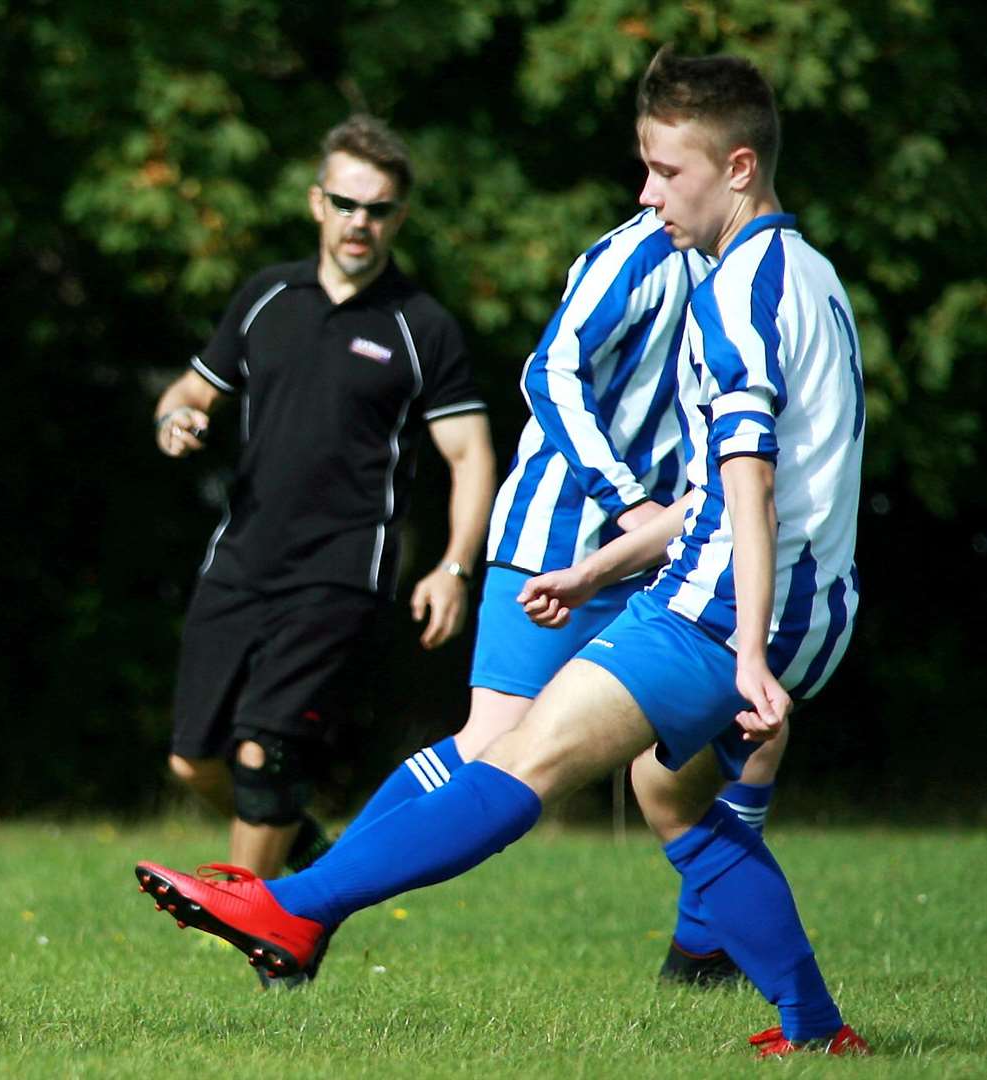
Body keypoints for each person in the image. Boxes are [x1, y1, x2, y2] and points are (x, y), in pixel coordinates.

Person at [136, 48, 869, 1057]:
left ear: (736, 167)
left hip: (721, 604)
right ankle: (816, 1030)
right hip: (798, 598)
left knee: (516, 754)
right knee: (674, 799)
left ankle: (293, 906)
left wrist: (740, 644)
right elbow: (719, 486)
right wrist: (602, 565)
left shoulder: (736, 288)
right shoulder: (813, 276)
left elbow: (742, 473)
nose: (645, 193)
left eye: (665, 171)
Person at [341, 203, 790, 987]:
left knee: (754, 725)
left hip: (680, 548)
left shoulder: (761, 272)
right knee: (492, 744)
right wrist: (627, 506)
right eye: (648, 166)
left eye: (667, 168)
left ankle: (702, 947)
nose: (650, 191)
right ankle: (308, 906)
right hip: (564, 536)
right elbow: (547, 373)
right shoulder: (635, 255)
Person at [151, 115, 494, 912]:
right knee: (192, 762)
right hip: (239, 557)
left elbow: (470, 456)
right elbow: (192, 388)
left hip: (342, 570)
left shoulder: (420, 327)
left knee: (264, 752)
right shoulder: (266, 296)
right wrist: (177, 418)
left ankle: (252, 925)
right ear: (316, 203)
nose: (358, 223)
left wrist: (452, 568)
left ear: (398, 219)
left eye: (376, 210)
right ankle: (307, 863)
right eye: (344, 203)